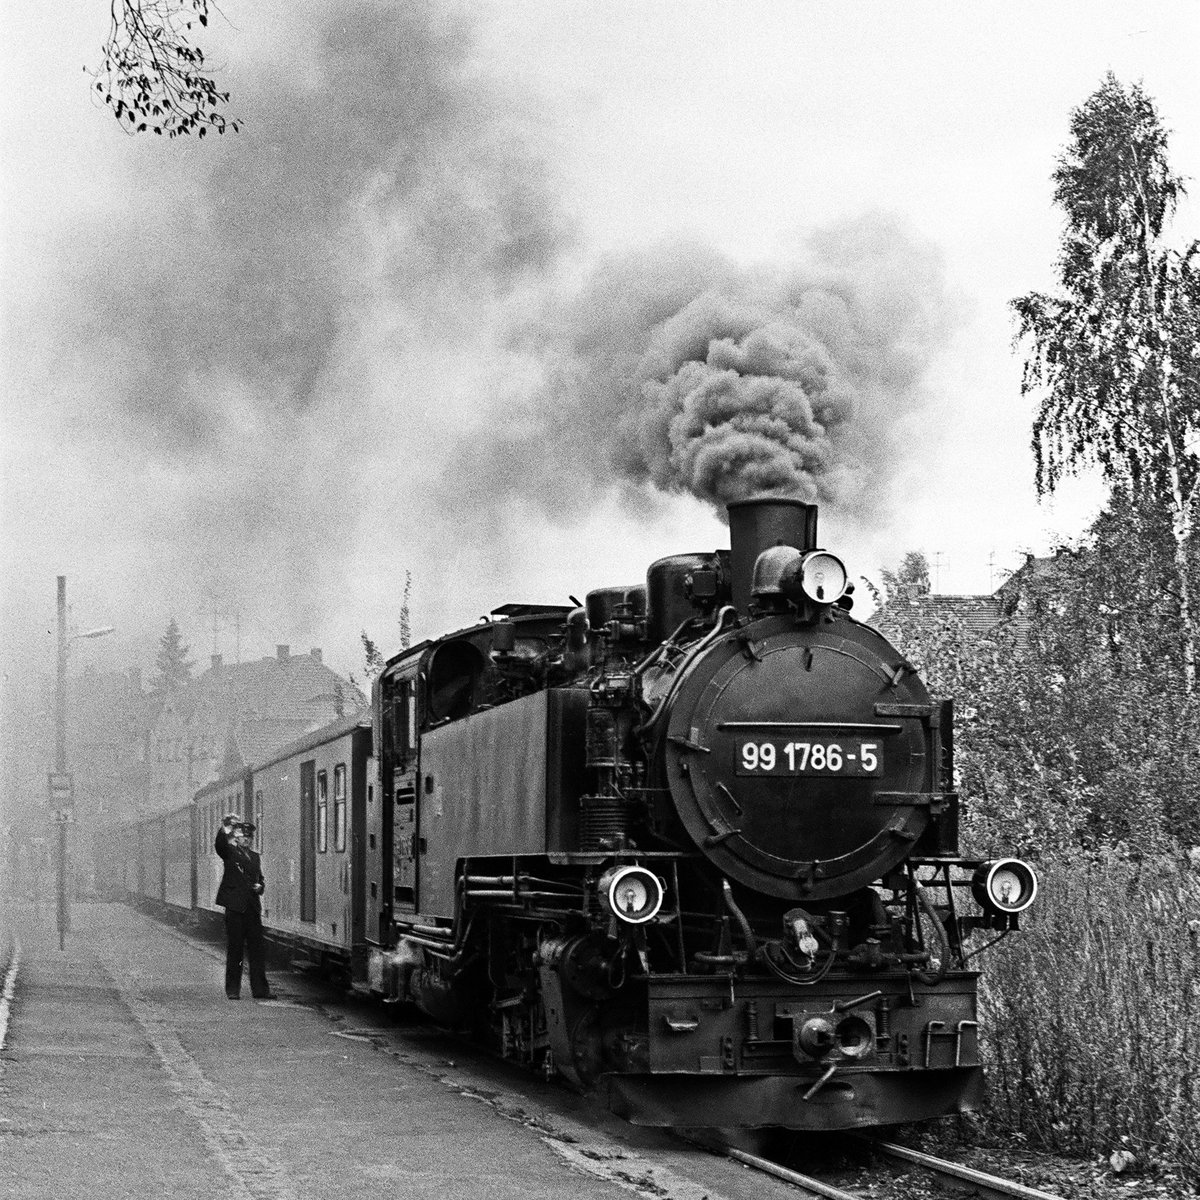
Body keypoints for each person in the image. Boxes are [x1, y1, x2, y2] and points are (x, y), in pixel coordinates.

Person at [214, 813, 272, 1000]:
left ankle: (260, 990)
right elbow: (220, 845)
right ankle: (232, 990)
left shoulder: (255, 857)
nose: (246, 840)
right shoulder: (229, 852)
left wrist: (260, 886)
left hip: (252, 909)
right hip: (235, 909)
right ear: (236, 838)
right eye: (242, 837)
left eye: (249, 837)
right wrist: (225, 828)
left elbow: (260, 878)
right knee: (236, 950)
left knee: (257, 950)